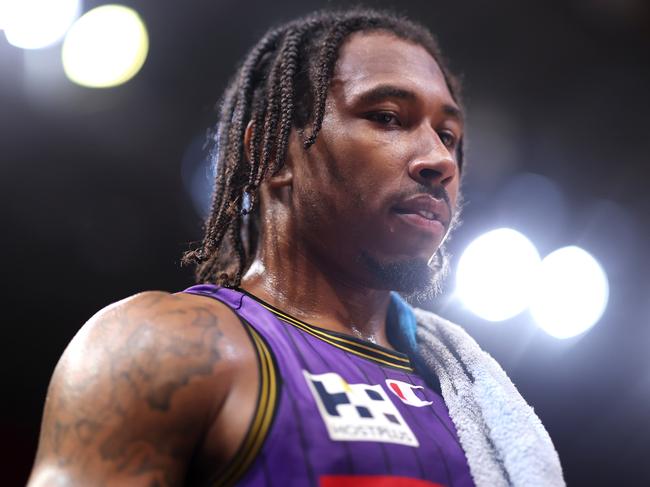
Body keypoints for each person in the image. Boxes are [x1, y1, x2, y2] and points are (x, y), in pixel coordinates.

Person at [28, 8, 565, 487]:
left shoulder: (468, 397)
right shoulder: (166, 346)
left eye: (447, 135)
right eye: (386, 117)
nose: (440, 160)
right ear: (269, 154)